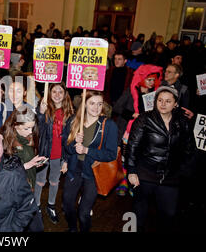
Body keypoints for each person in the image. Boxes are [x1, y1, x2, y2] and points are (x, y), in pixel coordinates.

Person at [125, 86, 195, 232]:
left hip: (171, 177)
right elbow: (132, 146)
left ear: (176, 103)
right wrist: (131, 171)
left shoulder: (183, 122)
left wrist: (183, 171)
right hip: (145, 174)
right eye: (160, 100)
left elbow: (189, 148)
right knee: (138, 215)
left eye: (168, 101)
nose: (163, 104)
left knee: (169, 215)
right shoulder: (145, 119)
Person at [61, 90, 118, 232]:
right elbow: (66, 147)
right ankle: (73, 228)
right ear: (85, 104)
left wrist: (87, 150)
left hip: (92, 173)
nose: (96, 108)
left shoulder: (109, 125)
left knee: (84, 213)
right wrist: (73, 146)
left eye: (99, 104)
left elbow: (111, 154)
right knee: (67, 204)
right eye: (92, 103)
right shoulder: (74, 121)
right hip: (74, 170)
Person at [0, 106, 46, 231]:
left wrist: (34, 164)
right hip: (13, 193)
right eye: (26, 128)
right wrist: (27, 165)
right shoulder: (5, 141)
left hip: (28, 188)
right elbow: (3, 170)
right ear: (15, 125)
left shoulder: (29, 137)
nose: (31, 131)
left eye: (32, 127)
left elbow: (26, 160)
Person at [35, 82, 74, 224]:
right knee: (39, 180)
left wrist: (66, 159)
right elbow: (37, 129)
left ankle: (51, 205)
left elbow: (70, 138)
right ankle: (37, 205)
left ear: (65, 95)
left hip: (59, 154)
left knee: (54, 181)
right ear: (49, 94)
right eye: (54, 92)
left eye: (60, 92)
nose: (57, 95)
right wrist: (40, 113)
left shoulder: (69, 113)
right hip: (44, 151)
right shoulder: (44, 108)